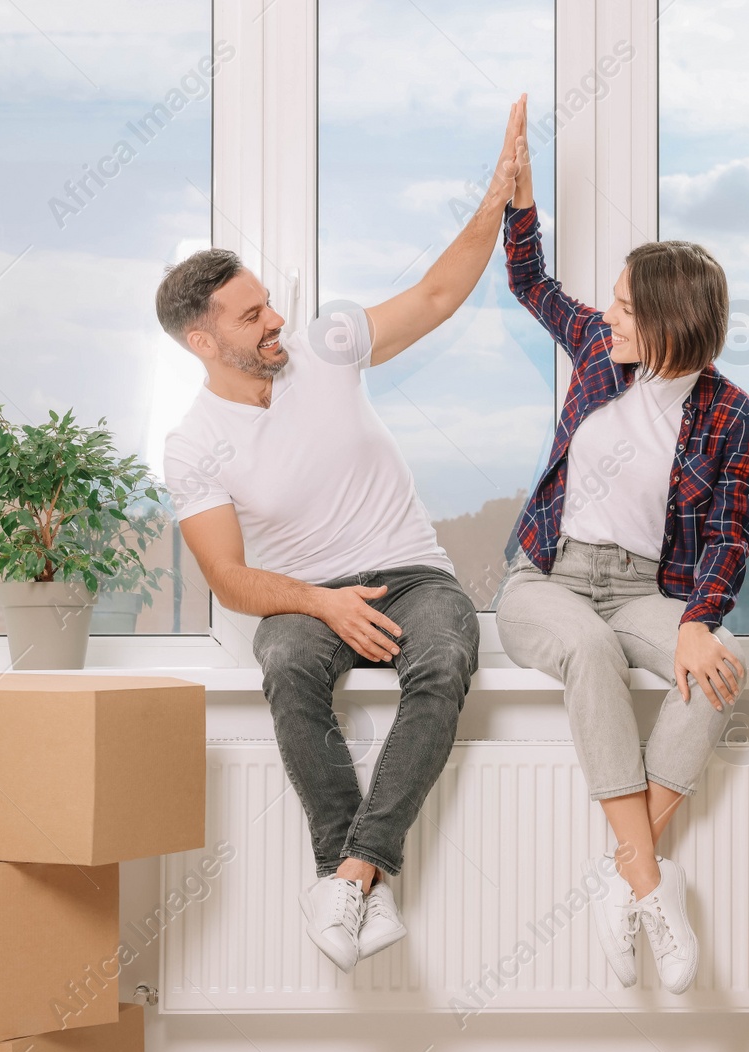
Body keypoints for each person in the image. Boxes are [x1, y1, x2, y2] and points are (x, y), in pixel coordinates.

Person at [156, 100, 527, 974]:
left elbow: (438, 293)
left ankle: (352, 874)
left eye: (267, 304)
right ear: (203, 341)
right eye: (251, 318)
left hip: (412, 575)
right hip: (306, 596)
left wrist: (497, 199)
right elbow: (229, 576)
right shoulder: (194, 444)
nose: (274, 320)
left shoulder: (325, 343)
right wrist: (320, 601)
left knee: (444, 657)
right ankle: (350, 874)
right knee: (284, 665)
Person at [493, 99, 749, 995]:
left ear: (670, 322)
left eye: (622, 305)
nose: (603, 313)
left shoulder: (728, 412)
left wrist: (699, 620)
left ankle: (623, 878)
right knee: (591, 649)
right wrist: (518, 202)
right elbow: (533, 285)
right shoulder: (600, 356)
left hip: (646, 584)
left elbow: (728, 531)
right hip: (548, 578)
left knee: (720, 666)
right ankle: (651, 883)